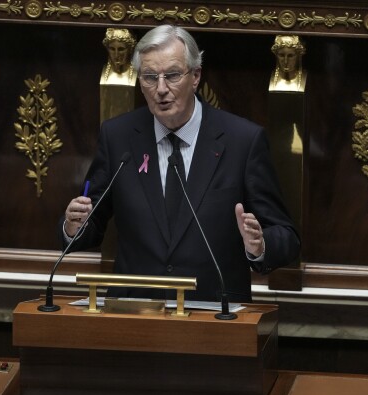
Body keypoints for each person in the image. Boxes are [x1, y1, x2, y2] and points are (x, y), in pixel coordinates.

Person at [62, 25, 300, 303]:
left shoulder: (243, 141)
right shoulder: (118, 137)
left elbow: (287, 237)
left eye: (172, 75)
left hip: (215, 313)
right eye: (150, 77)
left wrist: (259, 246)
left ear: (195, 76)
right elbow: (90, 222)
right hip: (134, 313)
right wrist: (72, 227)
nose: (161, 89)